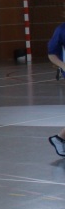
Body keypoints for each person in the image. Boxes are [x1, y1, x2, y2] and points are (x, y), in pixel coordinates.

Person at [47, 21, 65, 157]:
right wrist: (63, 66)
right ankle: (59, 138)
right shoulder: (61, 30)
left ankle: (59, 138)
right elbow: (52, 54)